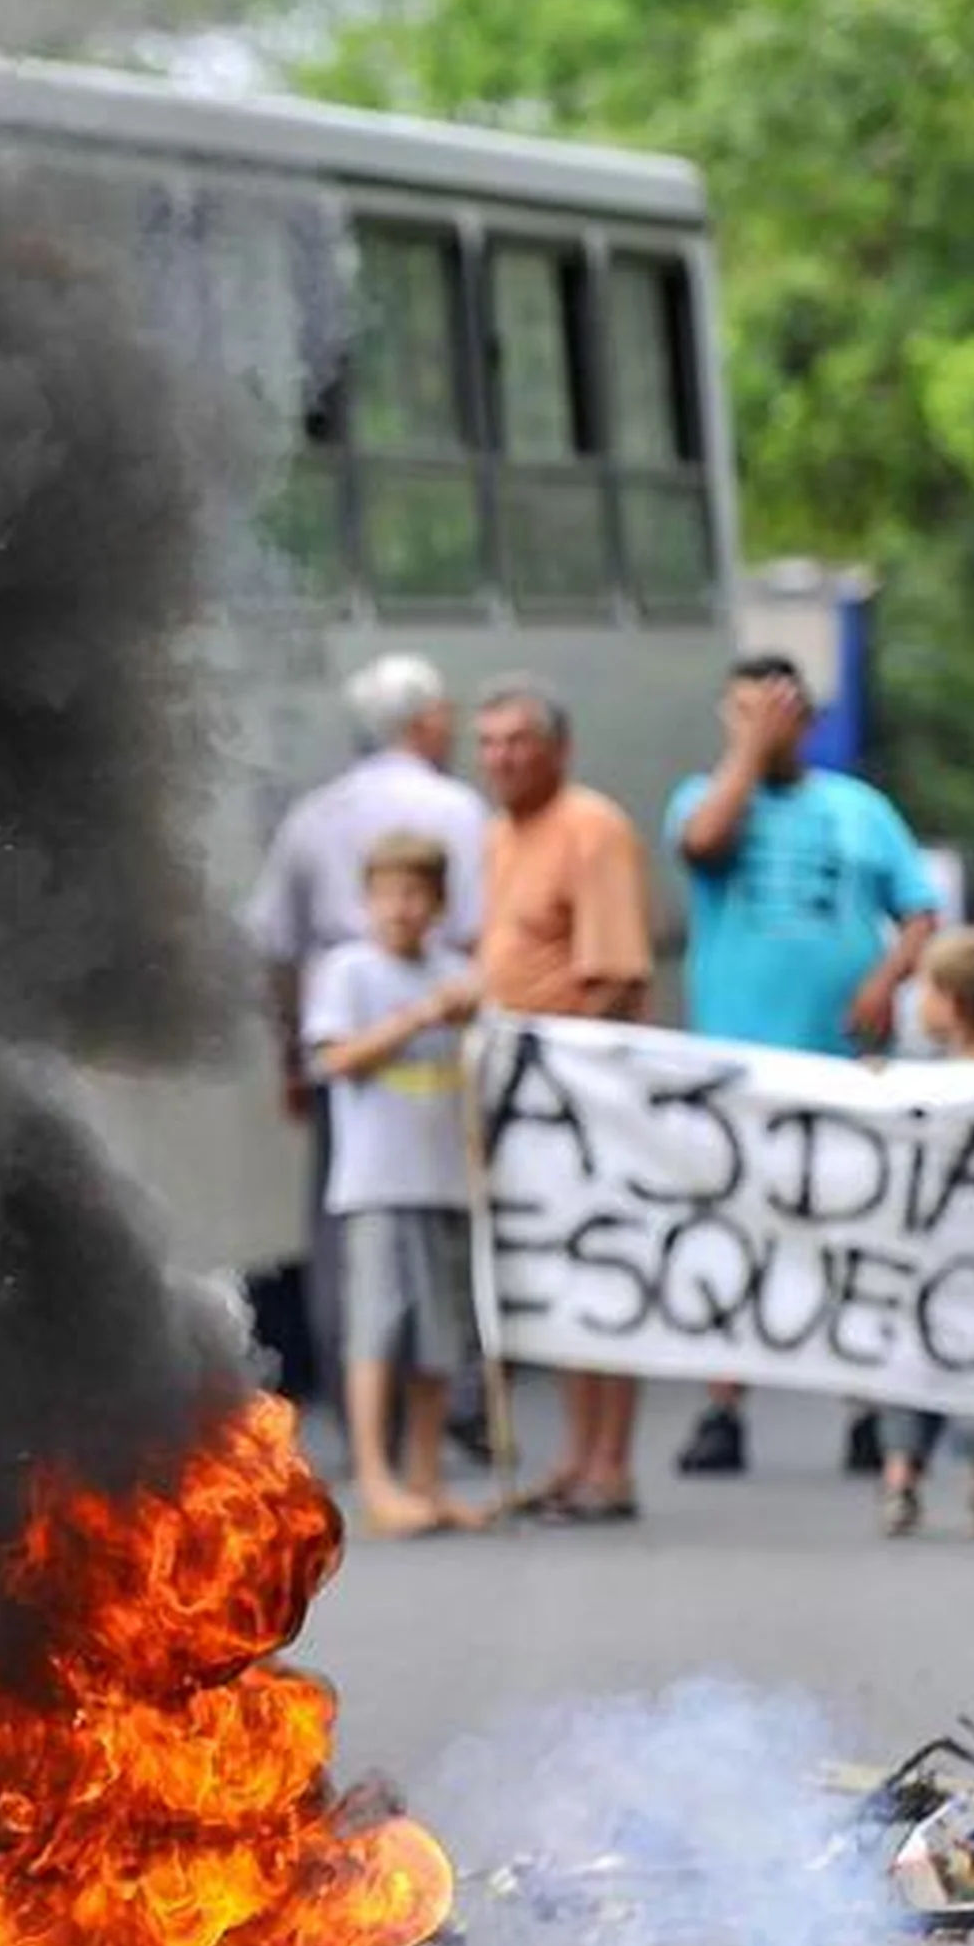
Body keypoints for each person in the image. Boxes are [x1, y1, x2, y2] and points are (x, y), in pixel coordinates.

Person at [664, 652, 940, 1475]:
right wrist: (749, 754)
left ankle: (861, 1405)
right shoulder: (704, 797)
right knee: (733, 1239)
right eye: (743, 714)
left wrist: (887, 978)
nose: (761, 729)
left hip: (841, 1060)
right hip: (736, 1067)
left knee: (845, 1233)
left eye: (775, 714)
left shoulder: (860, 810)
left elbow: (919, 908)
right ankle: (724, 1405)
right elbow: (704, 846)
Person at [241, 653, 489, 1411]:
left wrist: (292, 1053)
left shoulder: (314, 814)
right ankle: (457, 1405)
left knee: (341, 1238)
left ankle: (358, 1414)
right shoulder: (458, 809)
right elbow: (481, 933)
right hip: (433, 1049)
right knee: (447, 1237)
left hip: (338, 1044)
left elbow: (273, 944)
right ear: (424, 723)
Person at [473, 677, 653, 1524]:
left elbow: (616, 974)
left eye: (519, 740)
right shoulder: (501, 835)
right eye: (490, 741)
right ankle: (576, 1457)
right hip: (519, 1087)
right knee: (556, 1280)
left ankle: (611, 1464)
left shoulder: (592, 829)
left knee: (604, 1274)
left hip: (582, 1090)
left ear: (559, 749)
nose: (502, 757)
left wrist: (564, 1076)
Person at [299, 832, 491, 1538]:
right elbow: (334, 1059)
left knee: (440, 1337)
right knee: (377, 1329)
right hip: (376, 1181)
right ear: (368, 901)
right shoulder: (350, 972)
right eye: (388, 895)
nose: (402, 910)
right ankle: (375, 1477)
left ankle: (426, 1476)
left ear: (437, 903)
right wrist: (417, 1018)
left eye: (415, 895)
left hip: (444, 1178)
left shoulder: (455, 972)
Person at [875, 926, 974, 1538]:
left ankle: (901, 1483)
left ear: (953, 1002)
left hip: (932, 1256)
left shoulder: (932, 1082)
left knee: (909, 1369)